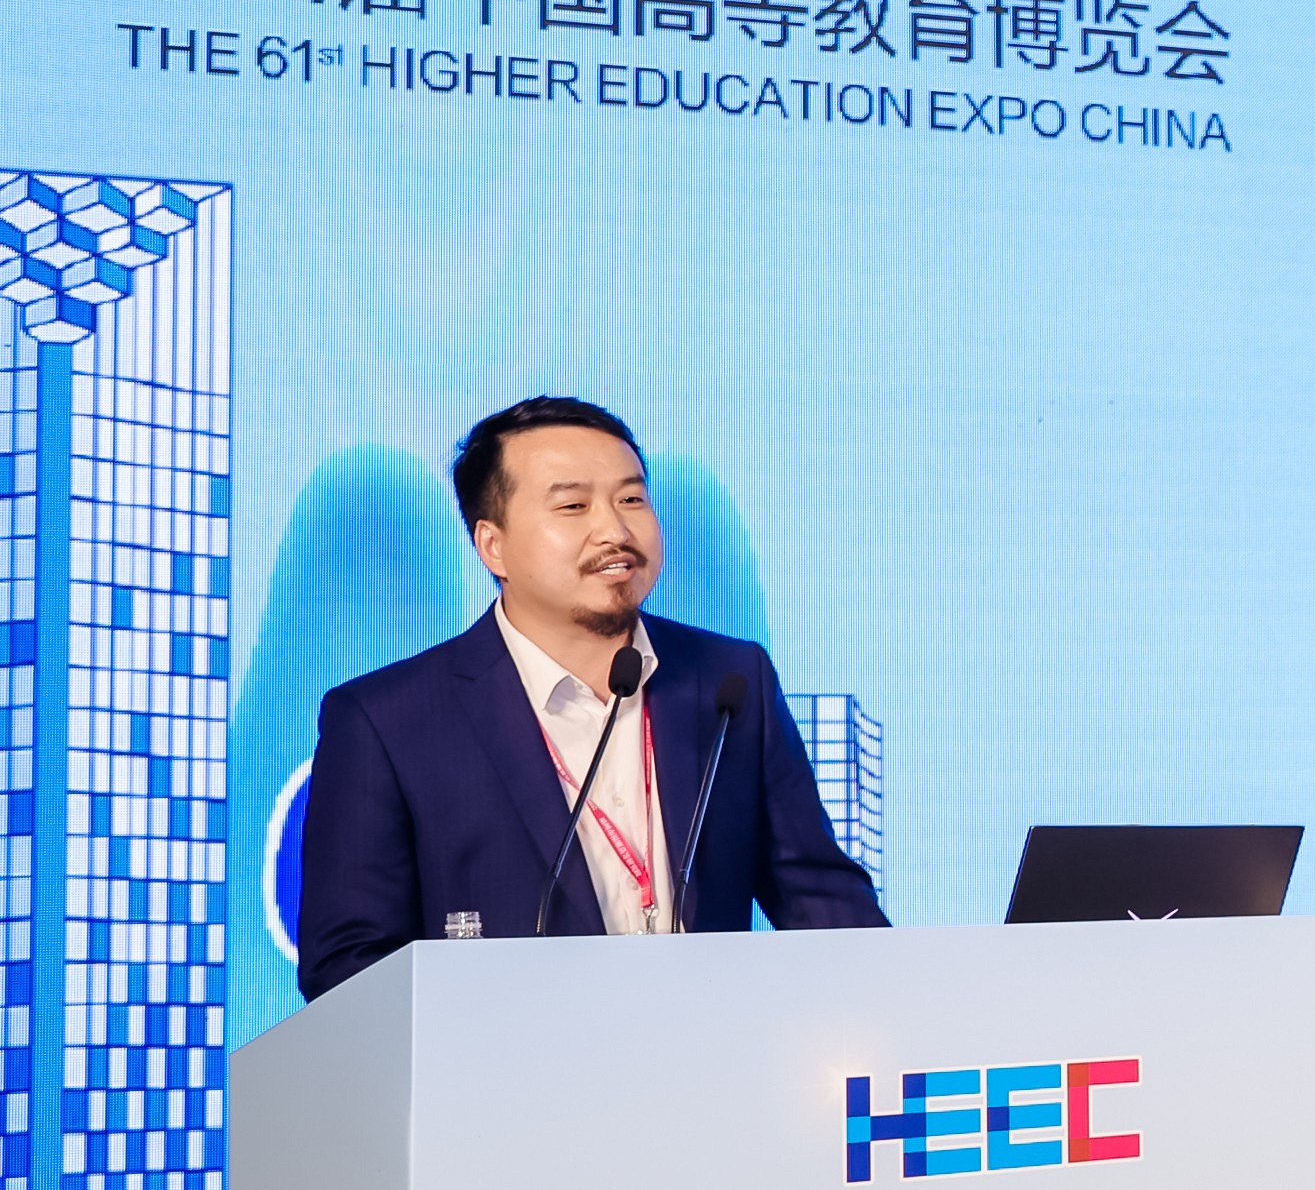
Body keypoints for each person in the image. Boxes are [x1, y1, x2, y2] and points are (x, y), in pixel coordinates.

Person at [294, 396, 887, 998]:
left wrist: (899, 1000)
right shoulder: (388, 720)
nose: (615, 532)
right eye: (573, 506)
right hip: (506, 1054)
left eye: (631, 500)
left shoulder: (730, 679)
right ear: (493, 545)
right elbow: (349, 966)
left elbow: (821, 900)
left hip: (714, 1048)